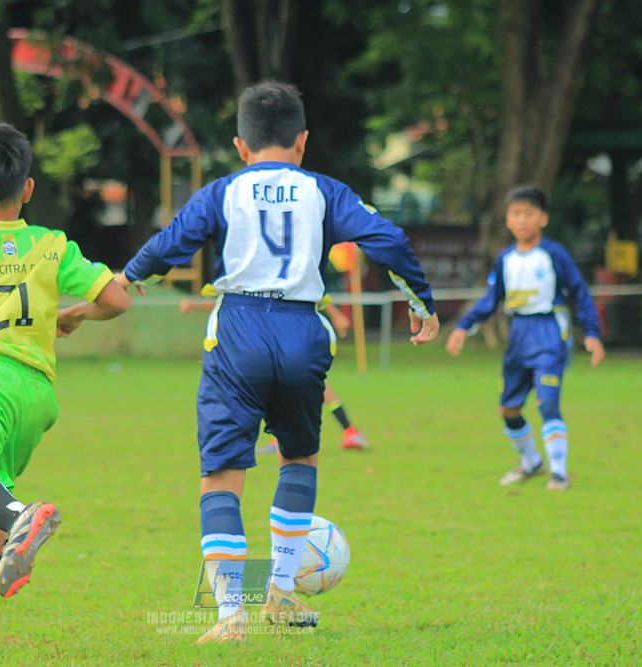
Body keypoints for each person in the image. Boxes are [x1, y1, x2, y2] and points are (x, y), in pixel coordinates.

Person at [118, 81, 438, 644]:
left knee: (221, 475)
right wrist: (422, 305)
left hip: (237, 328)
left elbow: (173, 241)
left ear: (241, 145)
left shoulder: (222, 190)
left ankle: (229, 617)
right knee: (300, 458)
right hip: (301, 330)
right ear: (303, 141)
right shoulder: (324, 190)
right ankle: (281, 592)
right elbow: (387, 238)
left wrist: (128, 277)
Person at [0, 119, 129, 646]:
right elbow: (117, 300)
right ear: (29, 189)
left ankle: (25, 516)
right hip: (37, 394)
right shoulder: (51, 245)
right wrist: (73, 315)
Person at [445, 184, 604, 492]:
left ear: (542, 219)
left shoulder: (554, 255)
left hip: (549, 332)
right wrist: (464, 326)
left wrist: (592, 333)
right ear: (507, 220)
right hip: (517, 336)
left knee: (547, 402)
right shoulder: (505, 259)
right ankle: (531, 462)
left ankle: (559, 473)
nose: (522, 220)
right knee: (509, 410)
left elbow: (580, 293)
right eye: (516, 214)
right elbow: (491, 299)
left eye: (528, 214)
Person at [180, 299, 369, 451]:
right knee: (290, 382)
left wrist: (336, 316)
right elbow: (224, 301)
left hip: (294, 331)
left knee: (310, 384)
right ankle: (341, 432)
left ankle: (348, 431)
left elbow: (319, 293)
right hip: (278, 332)